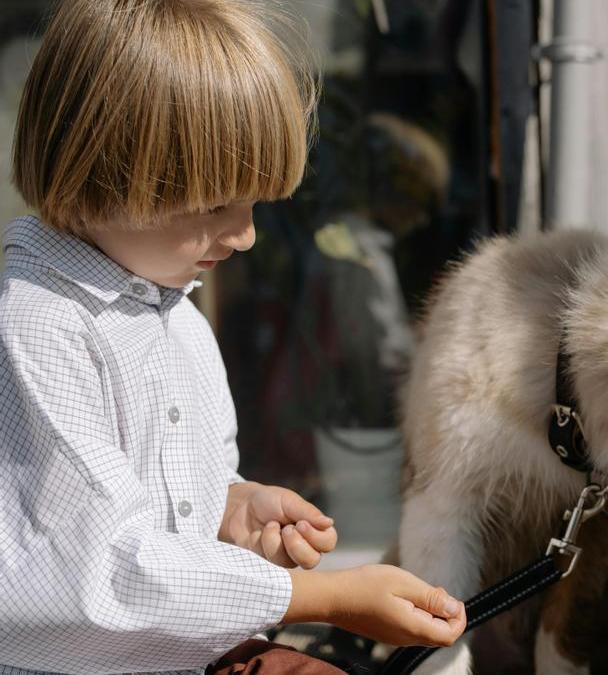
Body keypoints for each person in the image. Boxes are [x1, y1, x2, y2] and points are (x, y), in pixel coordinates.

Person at [0, 1, 465, 672]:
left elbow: (150, 501)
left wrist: (229, 508)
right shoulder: (40, 325)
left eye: (254, 205)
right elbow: (87, 569)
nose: (245, 235)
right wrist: (320, 595)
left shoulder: (176, 316)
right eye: (216, 206)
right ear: (105, 170)